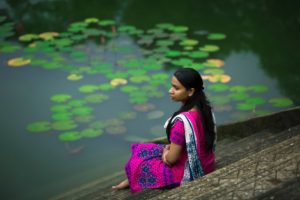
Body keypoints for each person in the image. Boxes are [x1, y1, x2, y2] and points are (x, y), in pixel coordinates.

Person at [112, 68, 216, 192]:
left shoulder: (181, 122)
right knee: (145, 148)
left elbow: (171, 160)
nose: (170, 91)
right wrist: (169, 149)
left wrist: (165, 154)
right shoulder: (205, 109)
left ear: (190, 91)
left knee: (141, 162)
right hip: (207, 164)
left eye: (176, 88)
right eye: (171, 86)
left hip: (188, 173)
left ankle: (132, 179)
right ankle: (131, 178)